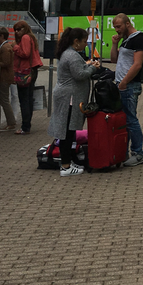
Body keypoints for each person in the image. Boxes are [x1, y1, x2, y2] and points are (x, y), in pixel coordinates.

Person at [49, 27, 101, 176]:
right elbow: (79, 74)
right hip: (69, 98)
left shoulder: (68, 53)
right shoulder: (71, 55)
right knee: (67, 132)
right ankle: (65, 166)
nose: (86, 44)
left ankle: (68, 162)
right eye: (84, 41)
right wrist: (93, 68)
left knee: (68, 132)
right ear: (76, 41)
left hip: (66, 96)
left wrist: (88, 65)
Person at [111, 13, 143, 166]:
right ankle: (124, 152)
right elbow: (114, 60)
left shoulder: (139, 38)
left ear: (127, 24)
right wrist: (114, 44)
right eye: (115, 27)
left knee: (131, 120)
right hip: (122, 84)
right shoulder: (125, 39)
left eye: (119, 26)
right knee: (125, 120)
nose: (117, 30)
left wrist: (124, 82)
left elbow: (137, 64)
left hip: (129, 85)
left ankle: (138, 153)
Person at [11, 20, 44, 135]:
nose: (17, 32)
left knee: (24, 99)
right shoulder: (30, 37)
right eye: (15, 29)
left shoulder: (25, 38)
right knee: (28, 98)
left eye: (19, 29)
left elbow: (25, 53)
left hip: (25, 71)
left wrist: (15, 47)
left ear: (25, 29)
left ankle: (25, 126)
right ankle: (27, 124)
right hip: (31, 70)